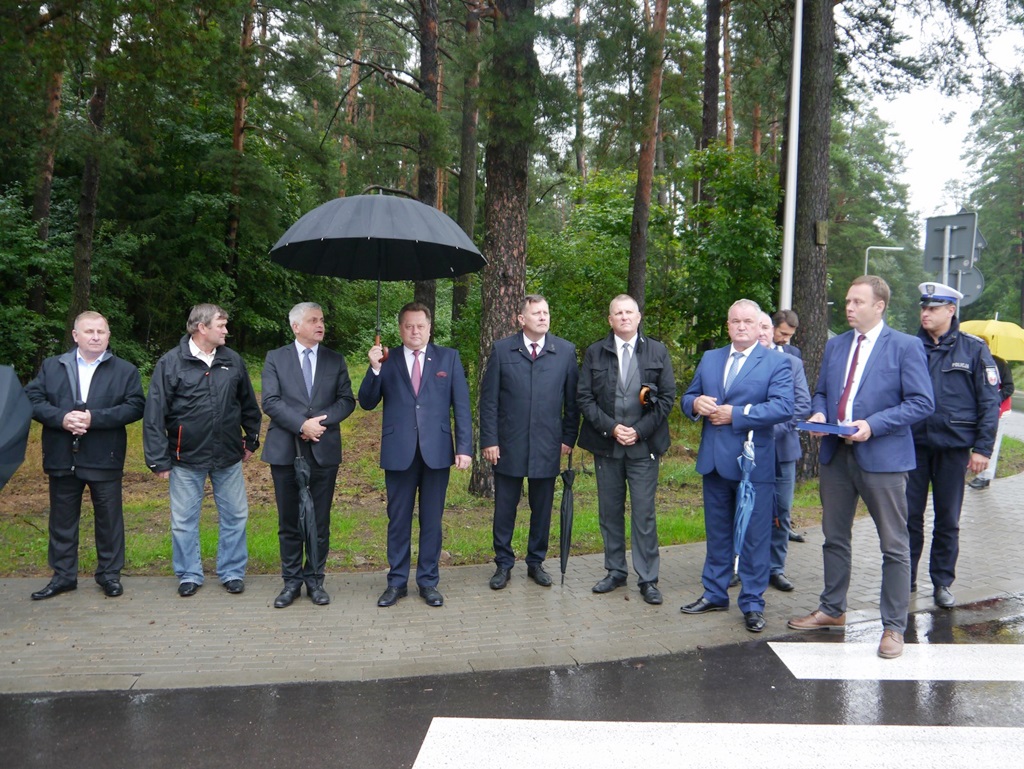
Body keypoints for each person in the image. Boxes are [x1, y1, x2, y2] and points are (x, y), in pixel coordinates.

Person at [788, 276, 934, 659]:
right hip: (837, 456)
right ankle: (832, 609)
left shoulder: (905, 346)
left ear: (879, 306)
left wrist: (873, 424)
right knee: (834, 537)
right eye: (848, 301)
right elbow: (822, 391)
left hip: (883, 459)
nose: (849, 307)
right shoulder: (836, 345)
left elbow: (921, 402)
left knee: (894, 545)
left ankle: (893, 628)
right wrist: (820, 412)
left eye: (857, 302)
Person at [679, 300, 794, 633]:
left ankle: (753, 603)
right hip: (714, 462)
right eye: (735, 321)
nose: (741, 326)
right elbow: (688, 397)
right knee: (717, 533)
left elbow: (783, 407)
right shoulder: (710, 358)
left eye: (747, 321)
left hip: (752, 465)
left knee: (755, 537)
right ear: (727, 325)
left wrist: (737, 414)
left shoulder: (776, 362)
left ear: (759, 326)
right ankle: (714, 593)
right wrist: (695, 404)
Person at [24, 311, 145, 600]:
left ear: (108, 336)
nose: (95, 337)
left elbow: (135, 406)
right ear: (75, 335)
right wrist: (62, 418)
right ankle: (63, 576)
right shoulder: (52, 366)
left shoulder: (125, 370)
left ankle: (109, 575)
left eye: (101, 332)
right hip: (62, 456)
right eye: (89, 331)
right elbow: (31, 399)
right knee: (62, 521)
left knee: (109, 520)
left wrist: (94, 418)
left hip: (105, 456)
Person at [143, 304, 262, 597]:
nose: (226, 331)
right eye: (221, 325)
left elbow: (248, 404)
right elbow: (154, 413)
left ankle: (232, 572)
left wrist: (251, 440)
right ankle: (189, 574)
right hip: (185, 457)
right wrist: (158, 459)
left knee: (235, 516)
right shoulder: (171, 363)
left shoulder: (232, 360)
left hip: (228, 456)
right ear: (201, 327)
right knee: (183, 521)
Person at [358, 302, 472, 608]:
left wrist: (464, 447)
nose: (415, 331)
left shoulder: (448, 357)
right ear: (400, 329)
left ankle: (428, 581)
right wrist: (374, 368)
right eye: (408, 326)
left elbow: (461, 406)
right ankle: (396, 582)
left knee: (432, 520)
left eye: (420, 326)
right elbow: (366, 402)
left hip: (437, 452)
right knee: (398, 520)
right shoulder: (387, 359)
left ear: (430, 328)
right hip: (399, 451)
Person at [577, 294, 675, 605]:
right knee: (609, 512)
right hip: (607, 445)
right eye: (618, 313)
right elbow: (584, 398)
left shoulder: (657, 351)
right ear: (610, 320)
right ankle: (616, 570)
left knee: (643, 513)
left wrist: (639, 430)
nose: (624, 317)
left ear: (638, 316)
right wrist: (611, 428)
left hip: (644, 447)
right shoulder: (595, 353)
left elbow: (667, 398)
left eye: (629, 312)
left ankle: (648, 578)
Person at [906, 282, 1000, 608]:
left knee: (947, 519)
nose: (925, 313)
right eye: (924, 307)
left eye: (933, 308)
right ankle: (905, 578)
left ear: (951, 310)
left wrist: (983, 448)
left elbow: (989, 401)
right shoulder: (908, 346)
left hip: (953, 448)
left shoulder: (973, 349)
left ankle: (942, 582)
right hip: (914, 445)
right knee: (909, 517)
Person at [479, 295, 579, 590]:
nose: (543, 317)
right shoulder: (502, 350)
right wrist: (490, 440)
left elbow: (572, 402)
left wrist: (568, 437)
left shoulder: (564, 351)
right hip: (508, 444)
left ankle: (536, 562)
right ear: (521, 319)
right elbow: (489, 401)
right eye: (536, 313)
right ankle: (503, 563)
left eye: (546, 312)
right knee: (505, 508)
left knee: (542, 508)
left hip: (548, 444)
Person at [261, 302, 355, 608]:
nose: (320, 325)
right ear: (295, 326)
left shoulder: (335, 360)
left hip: (323, 450)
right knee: (289, 520)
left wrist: (319, 423)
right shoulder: (276, 358)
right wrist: (301, 424)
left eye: (322, 319)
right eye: (313, 320)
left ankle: (315, 580)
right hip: (285, 450)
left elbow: (346, 400)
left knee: (319, 521)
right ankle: (291, 582)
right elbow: (271, 401)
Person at [756, 312, 811, 592]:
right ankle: (742, 564)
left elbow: (802, 405)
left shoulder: (792, 362)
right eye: (760, 327)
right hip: (747, 450)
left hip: (782, 449)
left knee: (782, 511)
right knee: (747, 509)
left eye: (767, 327)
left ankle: (775, 568)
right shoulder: (739, 361)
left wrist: (770, 431)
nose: (764, 332)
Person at [969, 354, 1015, 489]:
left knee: (991, 441)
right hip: (977, 410)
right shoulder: (970, 360)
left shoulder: (999, 363)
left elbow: (1009, 387)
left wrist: (993, 399)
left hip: (998, 410)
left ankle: (984, 476)